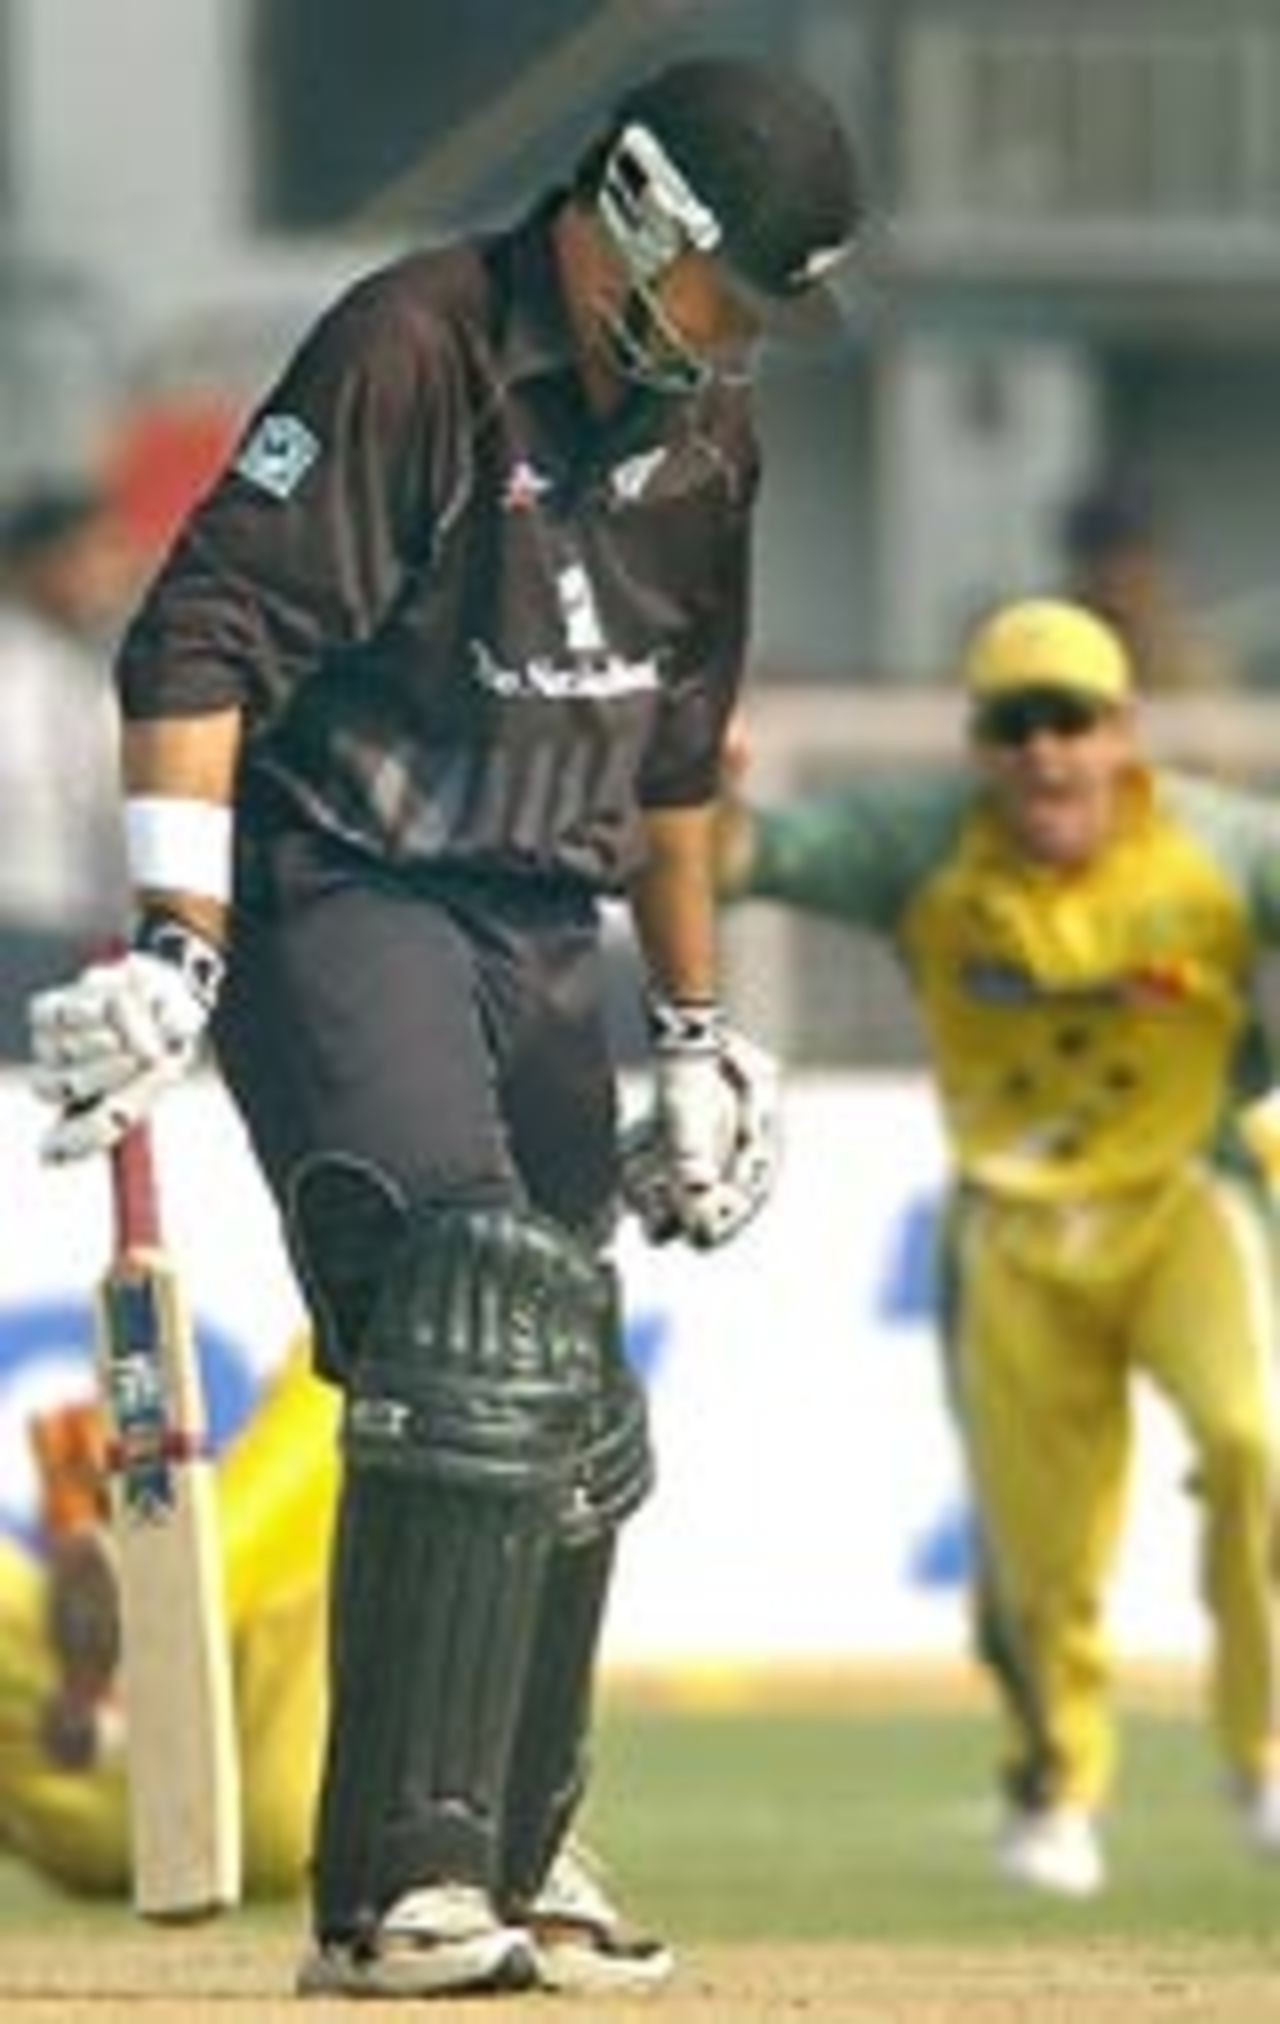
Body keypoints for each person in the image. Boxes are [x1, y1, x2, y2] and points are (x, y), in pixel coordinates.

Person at [26, 54, 859, 1998]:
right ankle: (396, 1893)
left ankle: (512, 1829)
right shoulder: (414, 348)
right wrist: (180, 938)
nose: (736, 337)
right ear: (636, 211)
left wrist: (695, 1026)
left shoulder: (707, 436)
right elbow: (197, 634)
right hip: (344, 886)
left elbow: (672, 768)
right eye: (730, 287)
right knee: (473, 1306)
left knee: (568, 1393)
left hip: (540, 918)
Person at [714, 596, 1280, 1899]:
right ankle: (1055, 1781)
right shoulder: (923, 849)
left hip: (1185, 1195)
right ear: (978, 745)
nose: (1046, 755)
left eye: (1071, 721)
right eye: (1016, 726)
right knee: (1043, 1546)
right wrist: (702, 784)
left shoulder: (1222, 846)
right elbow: (739, 862)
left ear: (1123, 733)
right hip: (1012, 1228)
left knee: (1256, 1444)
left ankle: (1264, 1746)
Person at [0, 481, 136, 1052]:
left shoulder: (97, 678)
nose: (113, 573)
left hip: (87, 938)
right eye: (94, 553)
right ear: (36, 564)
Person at [1061, 478, 1239, 695]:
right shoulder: (1052, 657)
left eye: (1136, 578)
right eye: (1106, 579)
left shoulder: (1194, 663)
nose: (1120, 598)